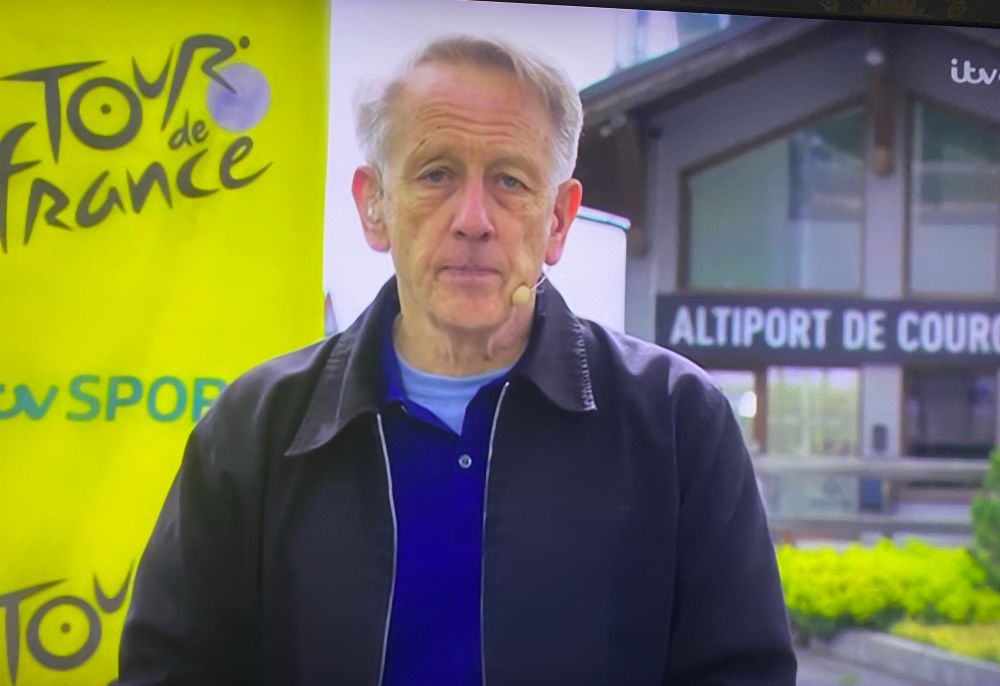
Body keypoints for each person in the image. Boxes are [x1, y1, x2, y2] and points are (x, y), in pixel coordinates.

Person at [119, 35, 797, 686]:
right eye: (436, 174)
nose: (473, 218)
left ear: (558, 221)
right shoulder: (254, 429)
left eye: (509, 181)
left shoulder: (677, 423)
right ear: (374, 205)